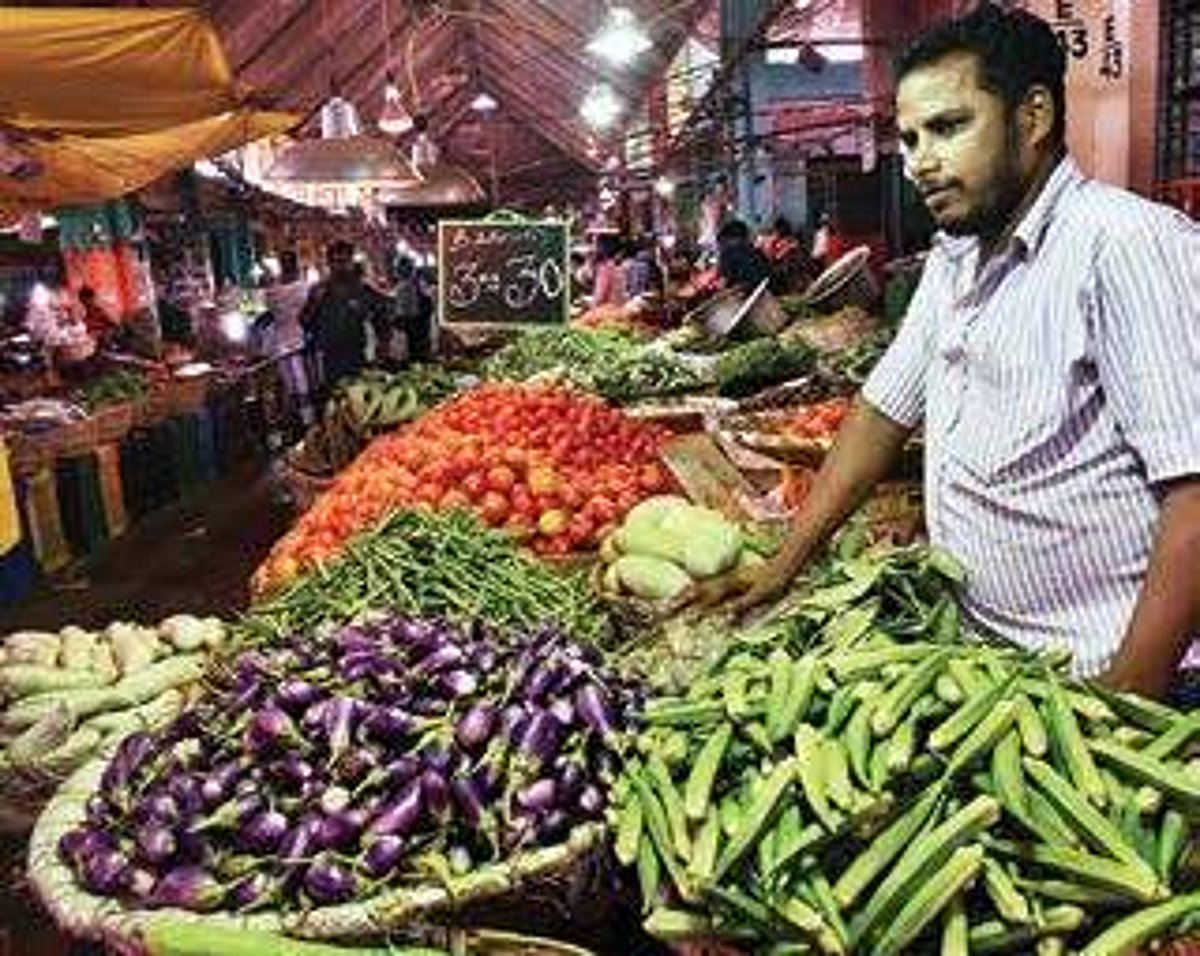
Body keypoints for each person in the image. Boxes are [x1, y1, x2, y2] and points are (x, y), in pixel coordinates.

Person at [690, 3, 1200, 700]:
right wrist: (786, 562)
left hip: (1105, 678)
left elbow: (1195, 491)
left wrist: (1127, 700)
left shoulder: (1126, 247)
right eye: (908, 138)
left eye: (949, 127)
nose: (921, 160)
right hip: (988, 668)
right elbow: (879, 415)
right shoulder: (954, 259)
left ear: (1034, 116)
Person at [299, 241, 392, 402]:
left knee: (360, 401)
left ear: (351, 261)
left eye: (343, 261)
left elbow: (382, 316)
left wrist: (382, 347)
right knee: (333, 402)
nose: (339, 266)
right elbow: (304, 322)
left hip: (358, 357)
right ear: (328, 263)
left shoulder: (363, 289)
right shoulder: (318, 290)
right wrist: (315, 303)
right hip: (329, 359)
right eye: (334, 261)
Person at [716, 219, 771, 294]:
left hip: (749, 291)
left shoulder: (728, 252)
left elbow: (722, 283)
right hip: (762, 287)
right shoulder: (754, 251)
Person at [591, 233, 627, 308]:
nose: (593, 248)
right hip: (617, 309)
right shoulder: (618, 268)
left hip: (606, 310)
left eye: (595, 245)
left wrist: (590, 304)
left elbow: (599, 298)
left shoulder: (605, 268)